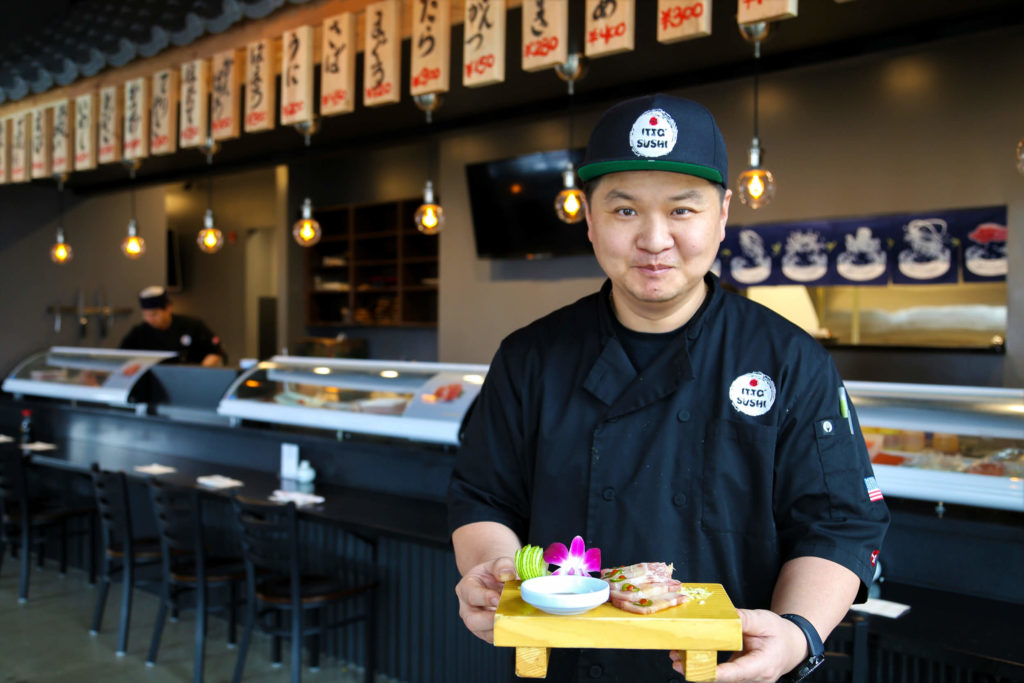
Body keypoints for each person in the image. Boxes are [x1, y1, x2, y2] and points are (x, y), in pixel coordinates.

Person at [448, 94, 889, 682]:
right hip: (566, 667)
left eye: (682, 210)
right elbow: (483, 496)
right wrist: (493, 576)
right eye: (625, 211)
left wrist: (795, 634)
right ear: (588, 214)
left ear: (723, 213)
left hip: (727, 670)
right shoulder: (530, 357)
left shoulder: (789, 359)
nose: (654, 240)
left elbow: (839, 524)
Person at [120, 286, 227, 367]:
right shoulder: (139, 332)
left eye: (154, 314)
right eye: (145, 315)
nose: (149, 319)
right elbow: (121, 358)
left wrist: (201, 373)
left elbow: (215, 352)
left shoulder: (192, 325)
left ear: (168, 308)